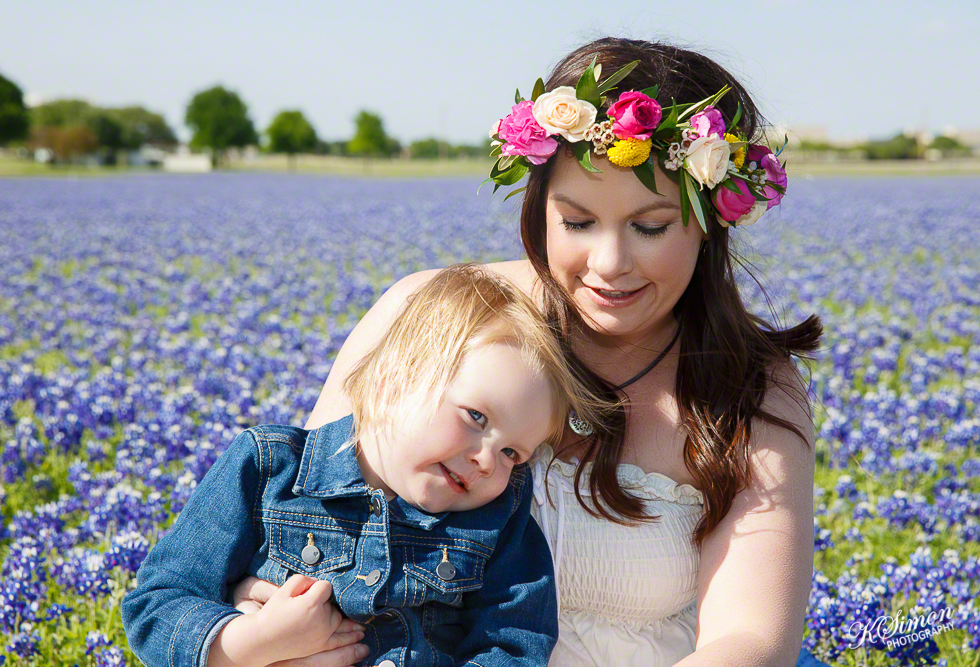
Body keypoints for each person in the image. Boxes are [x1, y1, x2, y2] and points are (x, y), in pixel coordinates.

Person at [232, 37, 829, 667]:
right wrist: (252, 615)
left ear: (712, 222)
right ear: (538, 207)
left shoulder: (750, 386)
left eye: (650, 227)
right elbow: (304, 509)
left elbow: (752, 640)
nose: (610, 264)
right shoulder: (432, 314)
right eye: (577, 221)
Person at [121, 264, 615, 667]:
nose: (488, 460)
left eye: (514, 453)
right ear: (392, 381)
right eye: (475, 417)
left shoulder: (497, 518)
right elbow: (158, 601)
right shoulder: (270, 469)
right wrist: (249, 643)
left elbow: (514, 643)